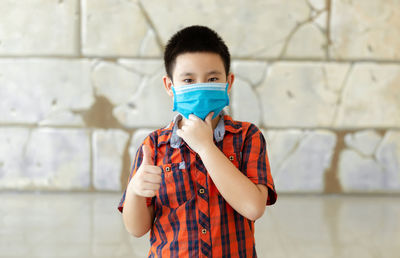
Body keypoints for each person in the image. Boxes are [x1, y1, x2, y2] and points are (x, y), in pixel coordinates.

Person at [118, 25, 277, 257]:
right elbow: (136, 228)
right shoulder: (153, 146)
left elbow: (253, 208)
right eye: (189, 80)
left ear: (228, 82)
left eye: (212, 78)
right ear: (170, 86)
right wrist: (135, 190)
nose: (200, 88)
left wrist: (205, 147)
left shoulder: (247, 137)